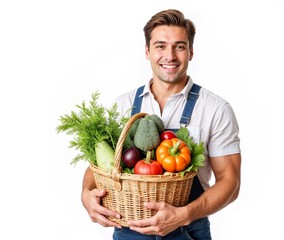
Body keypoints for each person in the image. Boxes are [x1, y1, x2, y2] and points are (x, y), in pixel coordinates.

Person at [81, 9, 241, 239]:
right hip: (128, 228)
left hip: (188, 228)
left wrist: (184, 214)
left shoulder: (215, 109)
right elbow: (97, 167)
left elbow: (231, 182)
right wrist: (86, 194)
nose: (170, 56)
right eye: (160, 46)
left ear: (191, 52)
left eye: (179, 46)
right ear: (147, 51)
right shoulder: (123, 104)